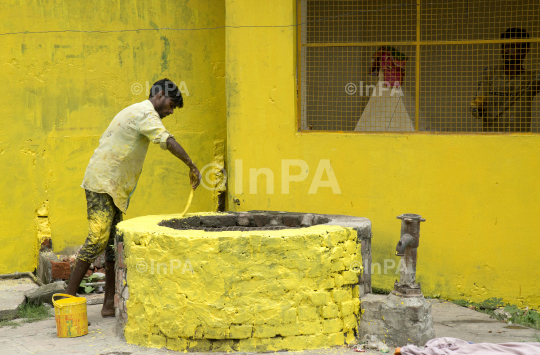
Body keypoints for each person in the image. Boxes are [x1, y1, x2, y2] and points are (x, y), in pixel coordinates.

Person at [65, 79, 201, 317]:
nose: (170, 111)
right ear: (159, 94)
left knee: (111, 248)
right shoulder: (145, 114)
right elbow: (166, 140)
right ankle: (66, 302)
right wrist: (192, 165)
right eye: (170, 105)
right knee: (97, 239)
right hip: (102, 184)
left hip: (112, 188)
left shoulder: (138, 111)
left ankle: (108, 305)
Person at [471, 28, 540, 132]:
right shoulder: (490, 73)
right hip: (490, 140)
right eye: (505, 46)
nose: (507, 50)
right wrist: (479, 107)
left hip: (518, 141)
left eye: (512, 46)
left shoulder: (531, 79)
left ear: (526, 49)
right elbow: (476, 106)